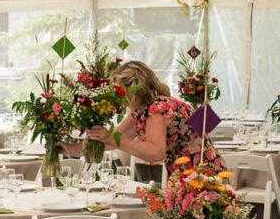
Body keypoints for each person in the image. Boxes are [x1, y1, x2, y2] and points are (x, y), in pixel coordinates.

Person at [93, 60, 226, 180]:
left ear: (133, 87)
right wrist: (73, 149)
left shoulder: (157, 108)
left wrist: (110, 138)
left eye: (119, 90)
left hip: (202, 176)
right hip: (184, 173)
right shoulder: (141, 109)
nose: (117, 95)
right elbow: (112, 142)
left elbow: (156, 152)